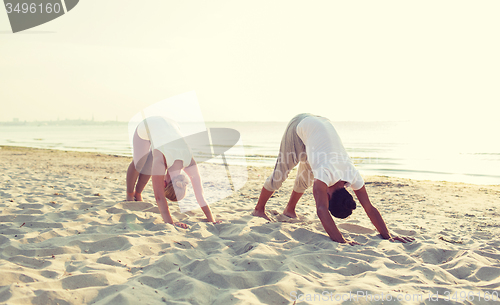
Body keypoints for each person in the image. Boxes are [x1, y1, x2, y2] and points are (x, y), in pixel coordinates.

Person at [252, 113, 414, 245]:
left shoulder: (352, 174)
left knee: (306, 177)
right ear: (329, 197)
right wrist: (341, 240)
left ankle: (289, 210)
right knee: (280, 174)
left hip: (319, 127)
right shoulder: (325, 174)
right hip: (300, 125)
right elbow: (321, 210)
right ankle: (259, 209)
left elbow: (369, 208)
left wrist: (388, 235)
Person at [126, 116, 219, 228]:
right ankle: (130, 194)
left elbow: (200, 195)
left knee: (150, 164)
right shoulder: (162, 159)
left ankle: (138, 193)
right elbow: (159, 197)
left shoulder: (189, 161)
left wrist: (211, 219)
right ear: (164, 184)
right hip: (147, 125)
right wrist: (171, 223)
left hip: (171, 124)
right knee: (139, 163)